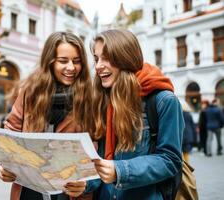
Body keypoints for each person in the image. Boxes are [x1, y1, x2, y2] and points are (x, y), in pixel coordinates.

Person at [64, 29, 184, 199]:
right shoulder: (103, 99)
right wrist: (85, 183)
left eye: (106, 58)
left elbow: (170, 160)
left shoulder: (163, 101)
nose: (98, 66)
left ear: (125, 57)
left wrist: (121, 171)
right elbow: (101, 160)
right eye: (97, 58)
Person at [0, 32, 93, 200]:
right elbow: (9, 133)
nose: (71, 67)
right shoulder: (30, 92)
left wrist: (88, 183)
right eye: (63, 61)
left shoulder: (90, 97)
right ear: (50, 62)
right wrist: (2, 166)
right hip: (29, 190)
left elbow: (97, 149)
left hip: (71, 192)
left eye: (76, 61)